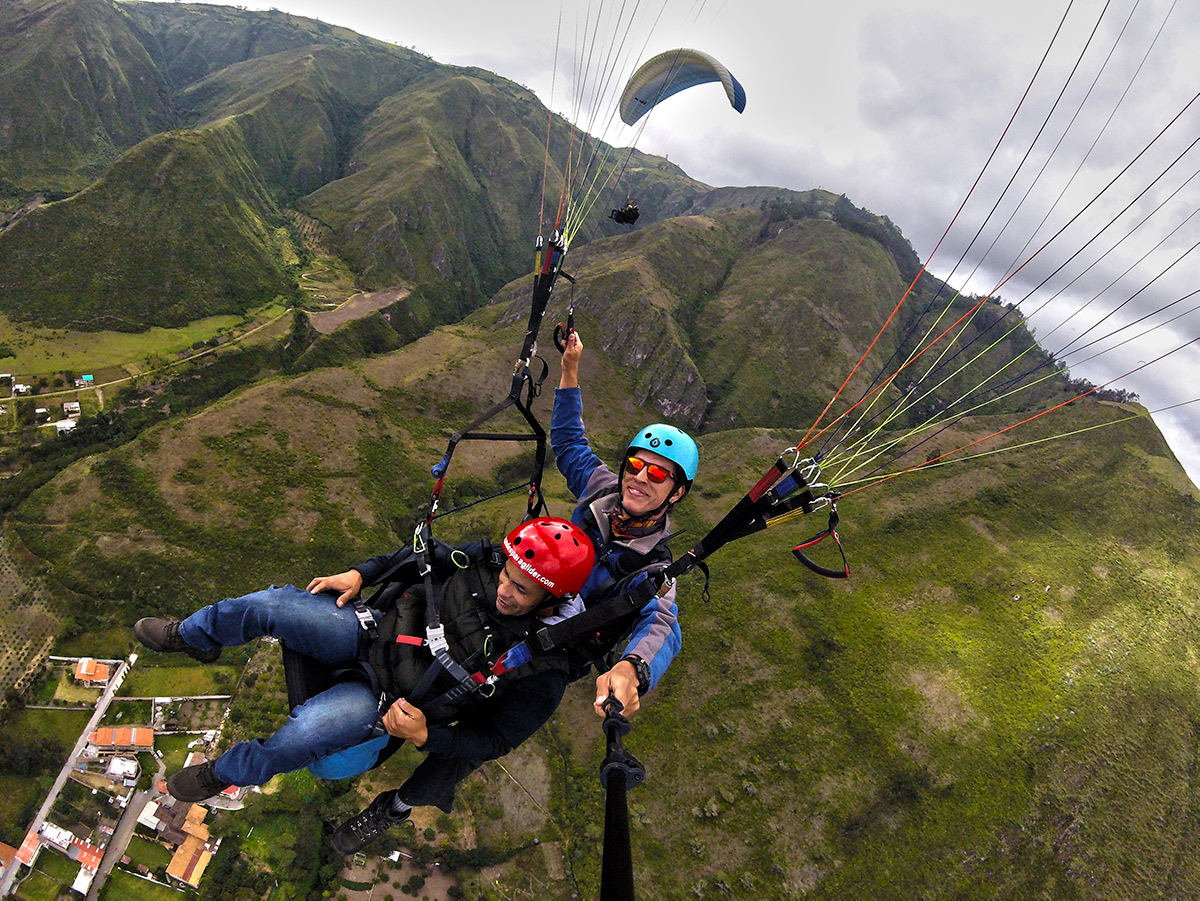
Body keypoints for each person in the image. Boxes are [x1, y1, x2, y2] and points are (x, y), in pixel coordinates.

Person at [132, 517, 595, 851]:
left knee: (305, 734)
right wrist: (363, 574)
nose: (504, 589)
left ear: (552, 601)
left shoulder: (542, 669)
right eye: (507, 575)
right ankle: (193, 637)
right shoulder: (486, 563)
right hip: (372, 630)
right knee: (272, 606)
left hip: (384, 702)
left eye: (521, 590)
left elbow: (493, 739)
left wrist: (425, 736)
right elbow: (420, 557)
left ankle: (224, 775)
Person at [552, 329, 698, 718]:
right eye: (635, 465)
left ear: (677, 493)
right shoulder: (601, 488)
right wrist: (570, 370)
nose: (640, 478)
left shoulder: (655, 566)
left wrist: (633, 668)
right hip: (524, 592)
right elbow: (569, 444)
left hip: (555, 647)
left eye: (657, 475)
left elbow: (662, 620)